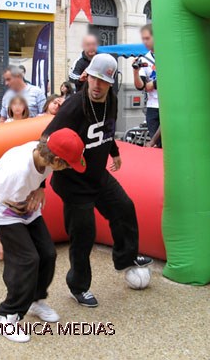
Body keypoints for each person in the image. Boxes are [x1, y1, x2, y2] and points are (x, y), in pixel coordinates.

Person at [42, 54, 153, 308]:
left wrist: (113, 151)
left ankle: (125, 258)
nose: (97, 85)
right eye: (94, 78)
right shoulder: (73, 107)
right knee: (84, 235)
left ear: (111, 83)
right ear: (86, 77)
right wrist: (41, 181)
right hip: (73, 183)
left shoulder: (111, 101)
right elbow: (46, 139)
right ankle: (78, 287)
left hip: (97, 174)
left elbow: (106, 128)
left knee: (124, 207)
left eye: (103, 81)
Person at [0, 128, 87, 343]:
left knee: (47, 254)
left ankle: (35, 300)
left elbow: (40, 174)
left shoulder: (44, 152)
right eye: (65, 165)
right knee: (27, 260)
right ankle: (6, 316)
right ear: (55, 159)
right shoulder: (15, 171)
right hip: (5, 213)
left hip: (29, 208)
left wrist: (41, 188)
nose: (66, 169)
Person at [132, 24, 161, 148]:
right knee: (157, 146)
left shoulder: (169, 55)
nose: (145, 42)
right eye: (143, 39)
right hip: (153, 107)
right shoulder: (145, 59)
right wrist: (135, 72)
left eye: (147, 38)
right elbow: (141, 86)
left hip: (170, 105)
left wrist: (153, 84)